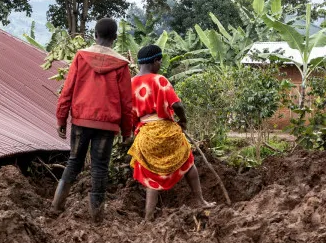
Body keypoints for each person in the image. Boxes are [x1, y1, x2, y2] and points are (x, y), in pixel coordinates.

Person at [52, 18, 134, 223]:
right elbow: (126, 102)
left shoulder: (81, 57)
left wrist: (61, 118)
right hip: (107, 126)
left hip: (81, 121)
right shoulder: (121, 64)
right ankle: (96, 216)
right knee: (100, 168)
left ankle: (56, 207)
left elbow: (67, 90)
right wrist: (126, 131)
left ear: (95, 35)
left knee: (74, 162)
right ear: (115, 37)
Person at [127, 44, 215, 221]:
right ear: (155, 61)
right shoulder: (160, 80)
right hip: (167, 131)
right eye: (160, 61)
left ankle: (148, 216)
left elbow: (128, 113)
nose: (160, 64)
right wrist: (183, 121)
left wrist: (131, 131)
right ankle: (200, 201)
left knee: (151, 174)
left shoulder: (130, 83)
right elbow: (177, 105)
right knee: (188, 163)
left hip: (146, 134)